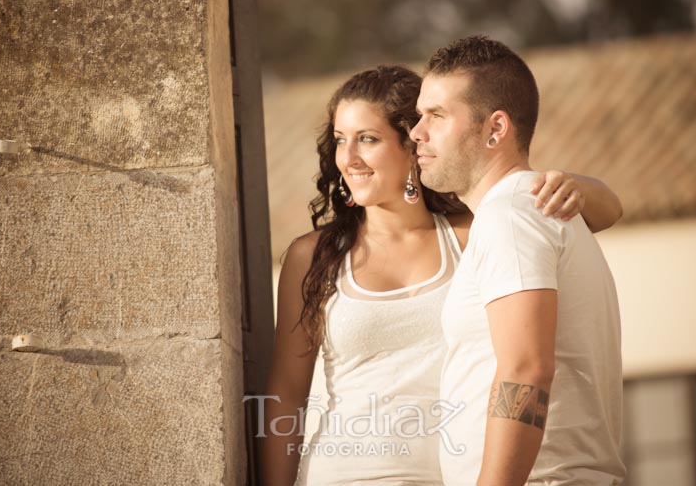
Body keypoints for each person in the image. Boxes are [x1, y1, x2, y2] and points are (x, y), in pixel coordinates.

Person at [261, 65, 623, 486]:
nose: (348, 157)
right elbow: (286, 395)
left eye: (368, 139)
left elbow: (602, 214)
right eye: (341, 140)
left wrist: (575, 184)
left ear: (411, 143)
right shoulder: (313, 257)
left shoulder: (476, 231)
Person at [410, 36, 626, 486]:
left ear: (496, 128)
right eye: (419, 115)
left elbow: (526, 370)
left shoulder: (510, 216)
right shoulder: (527, 209)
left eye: (437, 115)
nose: (417, 132)